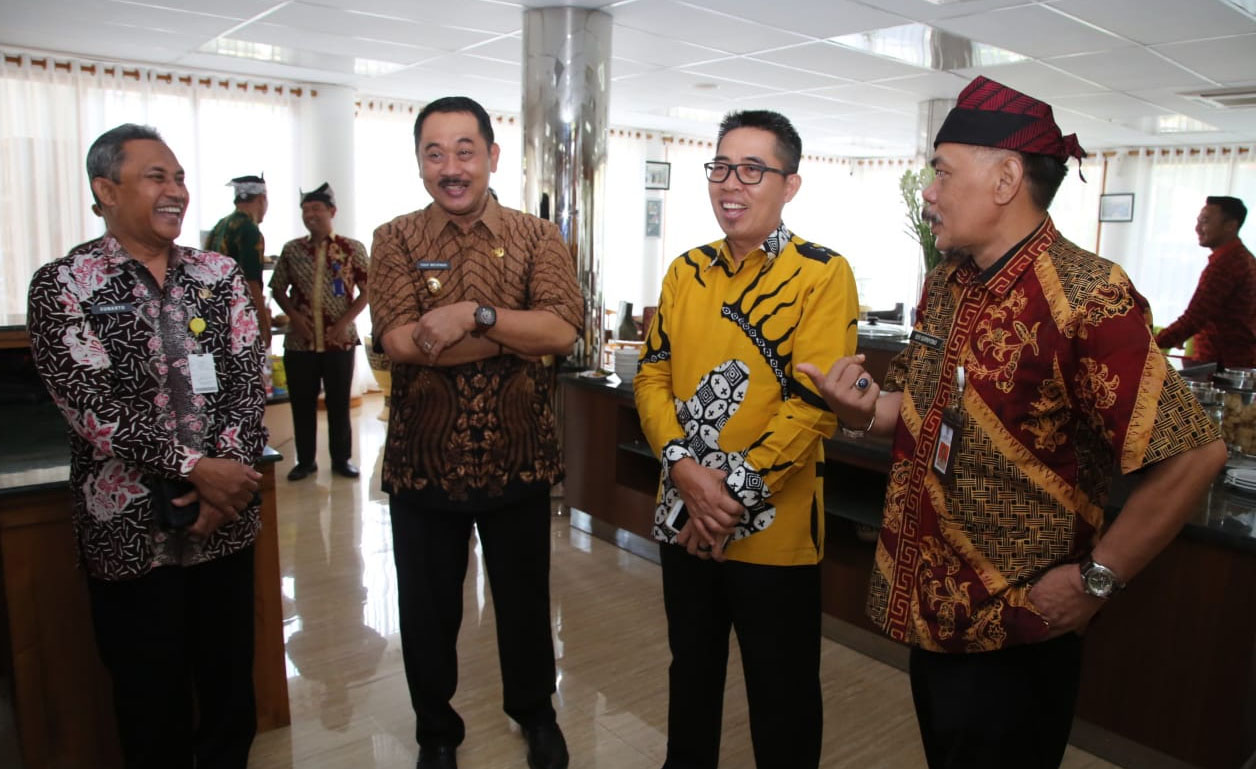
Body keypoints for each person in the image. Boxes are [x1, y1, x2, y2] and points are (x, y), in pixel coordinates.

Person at [799, 76, 1227, 769]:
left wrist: (1097, 578)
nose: (928, 192)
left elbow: (1195, 457)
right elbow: (915, 406)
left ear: (1006, 178)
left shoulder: (1089, 297)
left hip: (1017, 633)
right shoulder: (947, 280)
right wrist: (863, 410)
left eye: (941, 171)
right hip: (932, 617)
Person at [26, 123, 267, 769]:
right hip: (129, 531)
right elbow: (91, 406)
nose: (176, 191)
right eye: (156, 177)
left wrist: (226, 482)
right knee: (148, 699)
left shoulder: (219, 276)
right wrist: (197, 469)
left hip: (227, 525)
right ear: (105, 190)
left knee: (227, 695)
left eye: (180, 177)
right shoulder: (65, 284)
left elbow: (249, 380)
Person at [634, 110, 859, 769]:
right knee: (692, 674)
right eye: (722, 166)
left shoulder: (822, 274)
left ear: (789, 184)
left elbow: (811, 405)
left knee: (782, 695)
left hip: (776, 534)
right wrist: (682, 465)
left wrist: (723, 497)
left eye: (753, 169)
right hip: (682, 513)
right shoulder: (686, 271)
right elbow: (652, 374)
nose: (732, 183)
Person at [369, 96, 583, 769]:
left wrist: (473, 315)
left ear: (492, 156)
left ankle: (536, 714)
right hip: (424, 461)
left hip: (517, 455)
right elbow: (401, 341)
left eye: (466, 150)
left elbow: (561, 330)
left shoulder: (536, 237)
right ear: (419, 163)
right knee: (428, 612)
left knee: (524, 603)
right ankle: (437, 731)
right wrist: (512, 335)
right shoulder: (395, 238)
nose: (451, 167)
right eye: (435, 153)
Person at [270, 182, 369, 480]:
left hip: (339, 342)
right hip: (300, 343)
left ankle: (342, 460)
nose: (310, 214)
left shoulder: (352, 248)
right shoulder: (292, 249)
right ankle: (305, 461)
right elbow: (276, 289)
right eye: (305, 210)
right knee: (302, 404)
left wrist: (342, 324)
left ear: (332, 211)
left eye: (316, 209)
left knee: (339, 403)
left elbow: (367, 291)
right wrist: (295, 319)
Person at [1155, 196, 1255, 368]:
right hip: (1238, 361)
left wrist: (1149, 344)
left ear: (1230, 225)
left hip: (1222, 366)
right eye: (1198, 220)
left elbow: (1194, 318)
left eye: (1205, 221)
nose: (1197, 228)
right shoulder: (1243, 257)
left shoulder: (1226, 263)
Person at [207, 173, 271, 349]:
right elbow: (250, 281)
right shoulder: (249, 230)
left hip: (215, 313)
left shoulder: (221, 225)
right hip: (239, 317)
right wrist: (263, 324)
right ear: (261, 199)